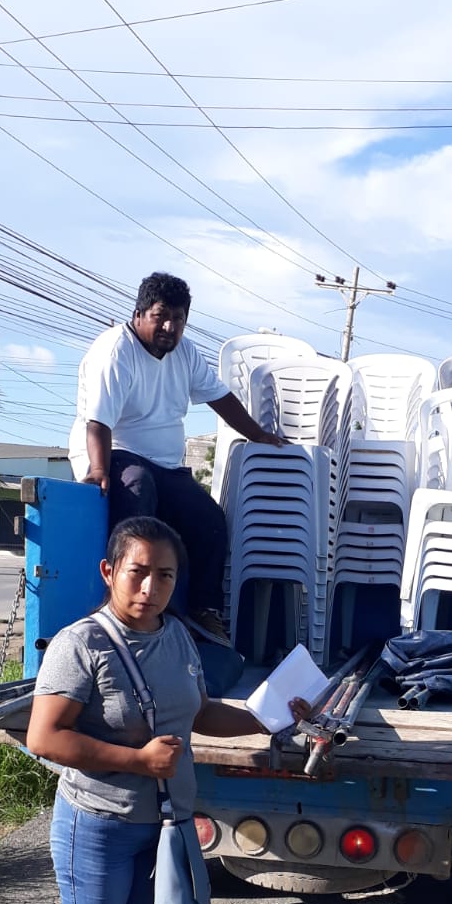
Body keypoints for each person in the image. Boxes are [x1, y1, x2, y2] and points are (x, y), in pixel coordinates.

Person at [27, 515, 307, 904]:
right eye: (138, 572)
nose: (150, 587)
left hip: (162, 830)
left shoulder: (176, 635)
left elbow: (197, 711)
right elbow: (46, 736)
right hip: (96, 825)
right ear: (110, 572)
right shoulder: (82, 644)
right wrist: (135, 761)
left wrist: (268, 719)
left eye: (165, 575)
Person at [68, 271, 286, 642]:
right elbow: (98, 421)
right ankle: (121, 605)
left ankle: (204, 610)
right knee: (136, 488)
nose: (170, 326)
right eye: (161, 316)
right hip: (117, 452)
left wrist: (259, 435)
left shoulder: (185, 353)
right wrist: (99, 468)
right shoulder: (115, 351)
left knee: (209, 519)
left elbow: (220, 398)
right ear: (139, 315)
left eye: (178, 319)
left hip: (166, 465)